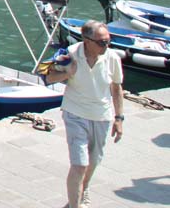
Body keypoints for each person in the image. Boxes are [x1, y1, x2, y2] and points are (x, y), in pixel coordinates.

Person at [44, 20, 124, 208]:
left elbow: (116, 88)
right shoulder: (69, 54)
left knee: (93, 162)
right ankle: (75, 204)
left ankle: (83, 189)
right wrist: (67, 73)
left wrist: (119, 118)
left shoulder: (112, 58)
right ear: (87, 41)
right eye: (102, 42)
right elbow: (48, 77)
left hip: (101, 115)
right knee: (80, 164)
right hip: (75, 113)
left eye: (108, 41)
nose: (106, 45)